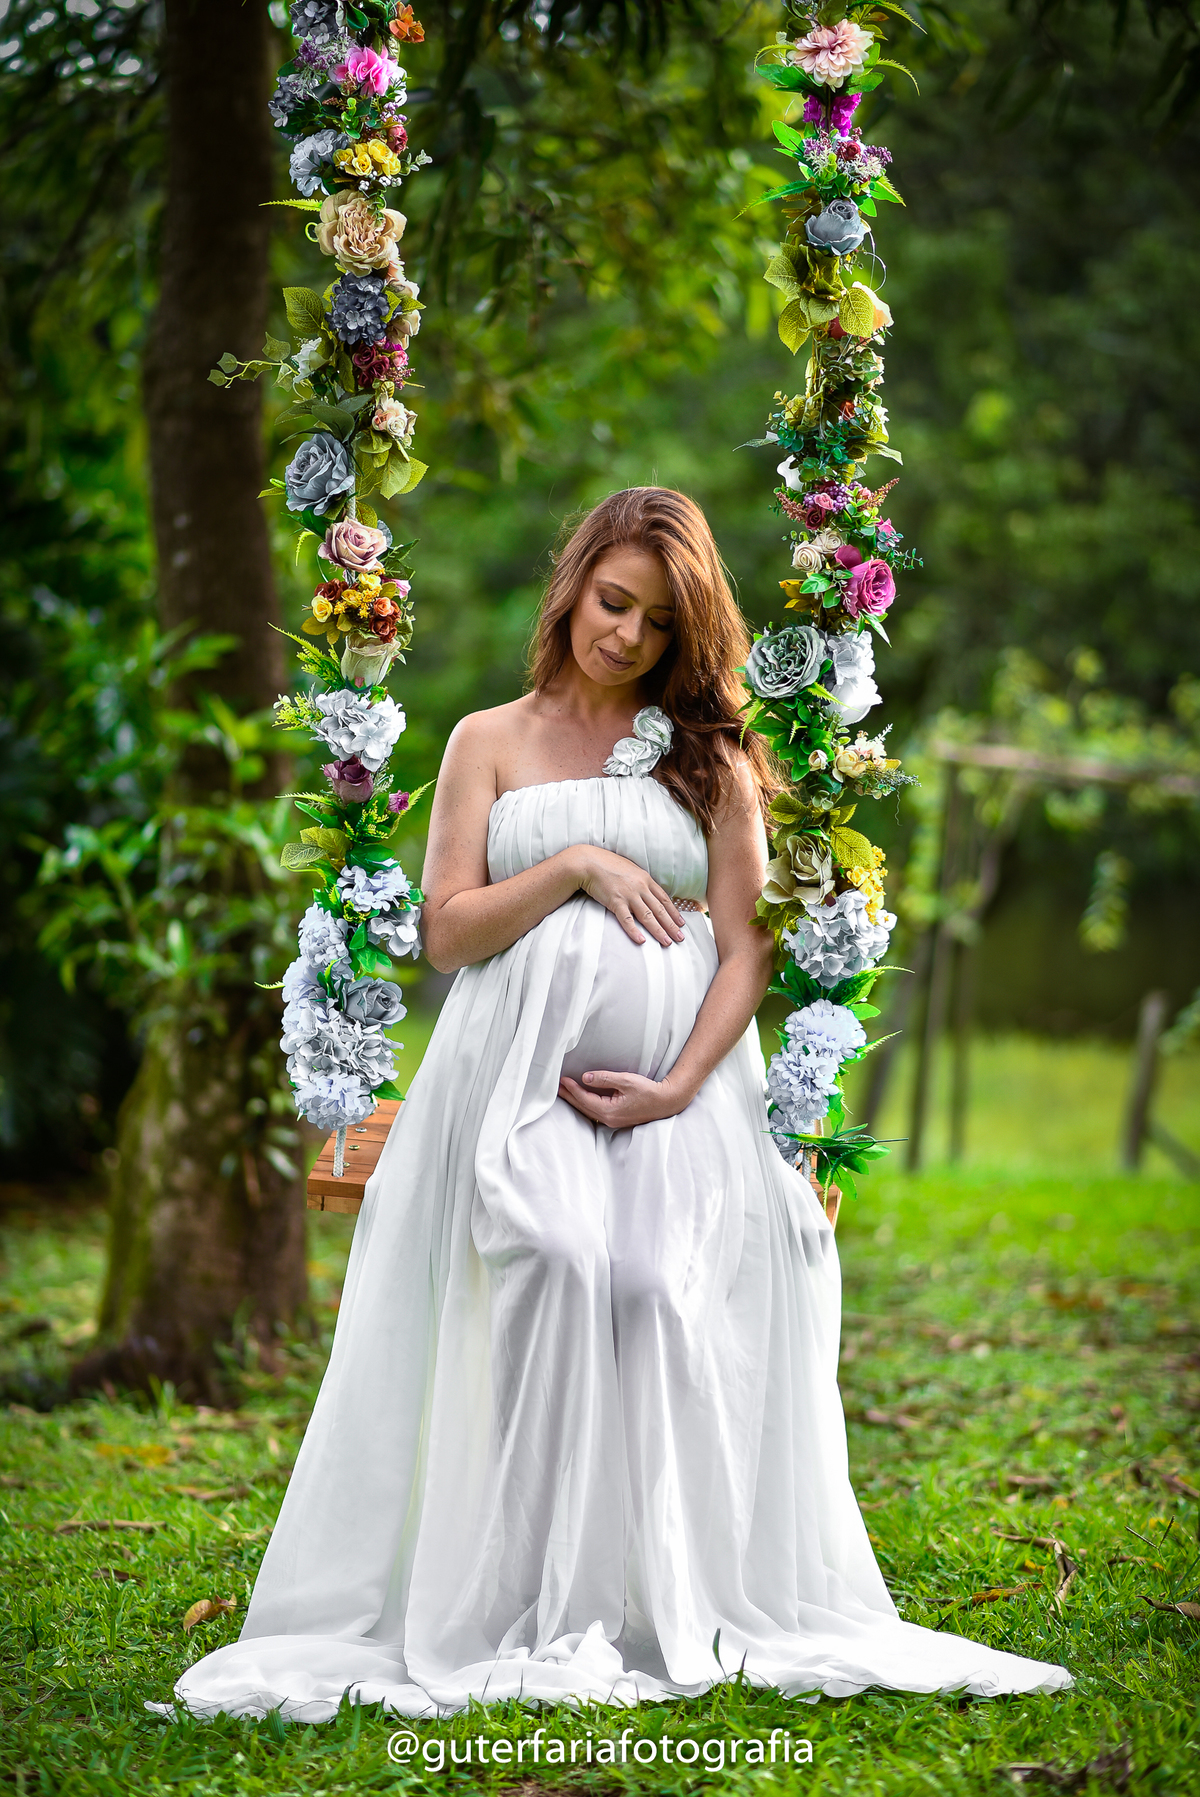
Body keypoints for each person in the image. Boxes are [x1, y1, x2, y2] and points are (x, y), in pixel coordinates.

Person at [165, 488, 1070, 1722]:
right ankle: (515, 1594)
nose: (627, 637)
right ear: (573, 582)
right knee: (548, 1258)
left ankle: (649, 1593)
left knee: (650, 1289)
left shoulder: (710, 755)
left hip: (679, 1097)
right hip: (516, 1086)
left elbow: (749, 948)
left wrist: (680, 1084)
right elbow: (444, 932)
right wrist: (577, 867)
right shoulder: (487, 740)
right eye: (613, 603)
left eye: (656, 621)